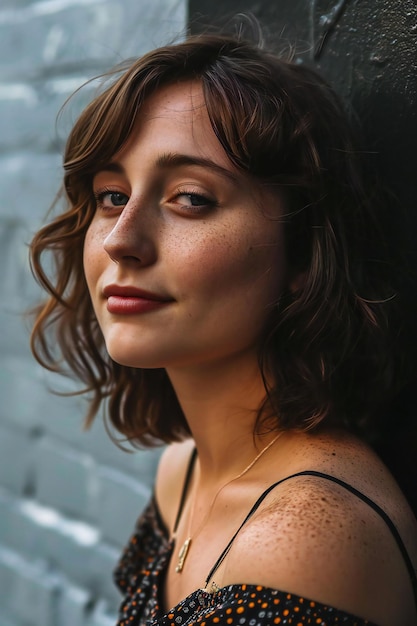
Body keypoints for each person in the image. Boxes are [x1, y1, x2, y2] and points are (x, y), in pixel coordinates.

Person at [29, 31, 417, 626]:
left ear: (303, 253)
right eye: (111, 196)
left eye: (190, 199)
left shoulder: (300, 541)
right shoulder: (181, 470)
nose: (121, 240)